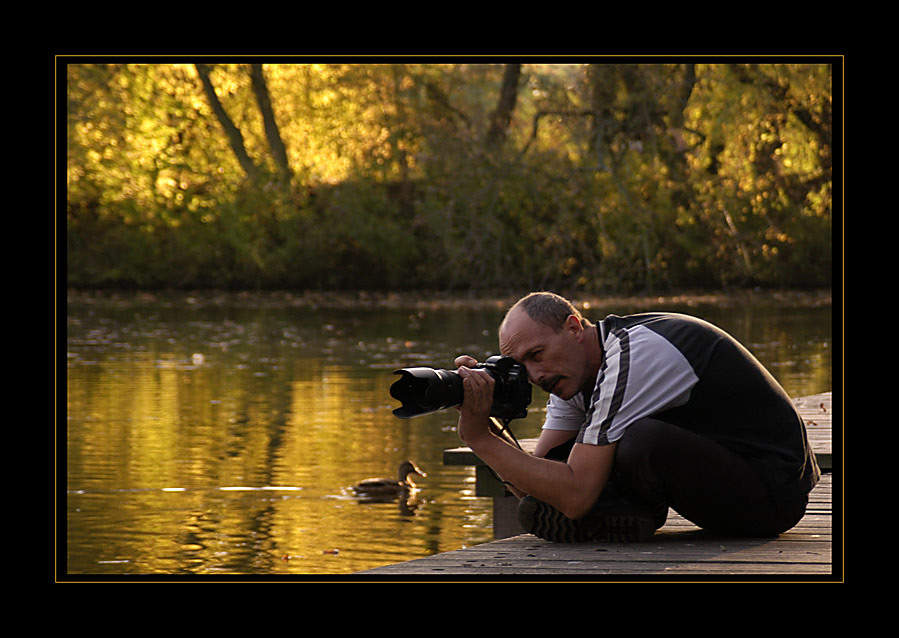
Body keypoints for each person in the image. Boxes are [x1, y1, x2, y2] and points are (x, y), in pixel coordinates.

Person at [455, 291, 819, 542]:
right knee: (560, 463)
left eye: (537, 354)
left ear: (574, 328)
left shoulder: (634, 355)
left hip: (775, 493)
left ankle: (620, 512)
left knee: (639, 442)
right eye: (522, 365)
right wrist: (484, 419)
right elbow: (537, 482)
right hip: (728, 473)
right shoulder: (571, 373)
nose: (534, 376)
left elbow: (575, 495)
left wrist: (479, 438)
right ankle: (625, 513)